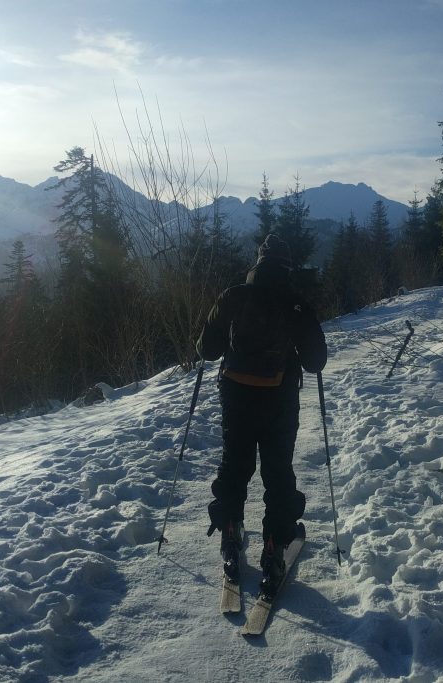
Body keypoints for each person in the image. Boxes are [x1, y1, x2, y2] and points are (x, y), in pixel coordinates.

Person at [195, 233, 327, 596]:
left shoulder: (233, 296)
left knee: (234, 466)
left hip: (236, 396)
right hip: (279, 401)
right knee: (277, 472)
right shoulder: (296, 304)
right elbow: (316, 361)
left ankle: (231, 534)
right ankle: (273, 549)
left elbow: (207, 350)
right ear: (287, 267)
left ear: (257, 262)